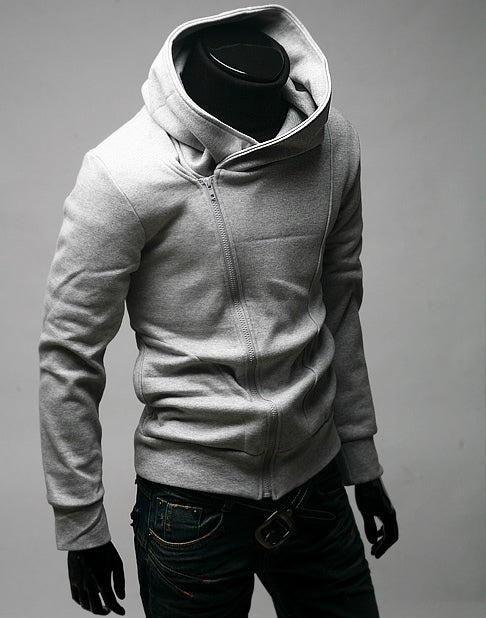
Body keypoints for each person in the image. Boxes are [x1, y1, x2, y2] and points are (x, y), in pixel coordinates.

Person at [38, 5, 398, 617]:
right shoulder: (123, 172)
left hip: (315, 482)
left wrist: (361, 459)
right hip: (189, 505)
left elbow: (341, 304)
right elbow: (70, 354)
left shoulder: (333, 144)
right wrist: (80, 522)